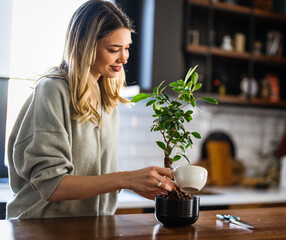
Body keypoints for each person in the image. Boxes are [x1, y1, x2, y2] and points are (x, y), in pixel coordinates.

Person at [6, 0, 175, 219]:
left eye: (127, 48)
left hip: (91, 227)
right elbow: (52, 185)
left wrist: (140, 184)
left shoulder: (108, 98)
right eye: (114, 49)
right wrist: (126, 179)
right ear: (84, 45)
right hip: (42, 228)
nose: (124, 58)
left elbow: (96, 177)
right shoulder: (53, 90)